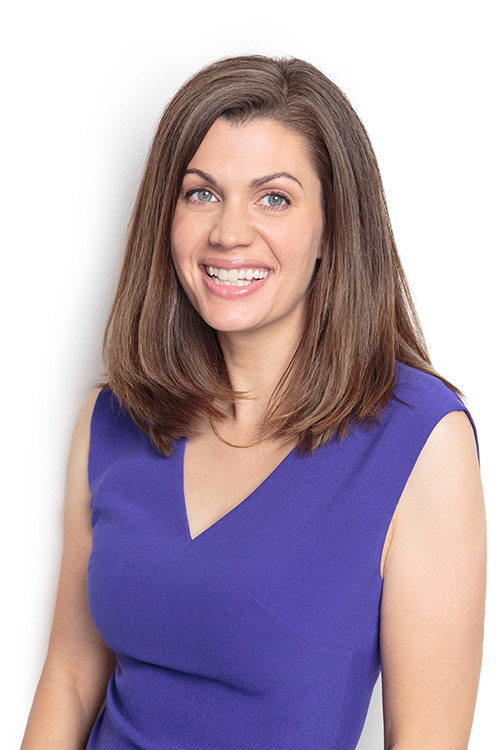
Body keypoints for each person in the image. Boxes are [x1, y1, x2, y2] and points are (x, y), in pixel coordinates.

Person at [21, 54, 486, 750]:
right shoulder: (114, 419)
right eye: (200, 193)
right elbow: (69, 677)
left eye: (274, 197)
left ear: (332, 227)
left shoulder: (419, 442)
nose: (228, 232)